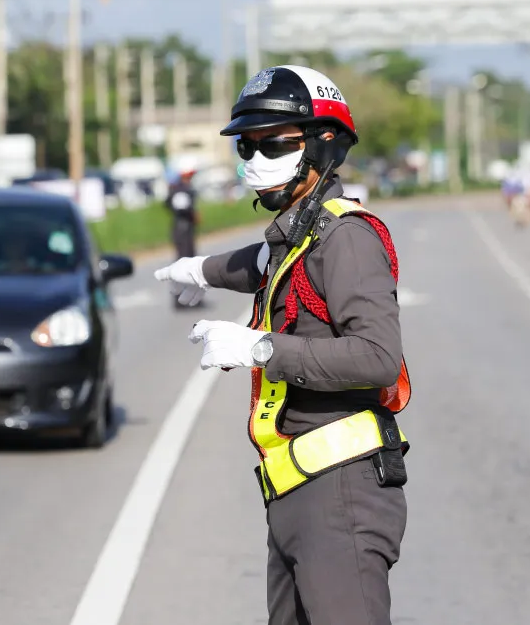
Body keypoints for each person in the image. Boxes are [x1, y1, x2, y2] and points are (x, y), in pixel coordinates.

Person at [154, 65, 412, 625]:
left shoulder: (346, 239)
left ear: (324, 144)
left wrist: (261, 350)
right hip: (295, 490)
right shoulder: (302, 232)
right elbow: (264, 263)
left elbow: (378, 357)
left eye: (274, 143)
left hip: (340, 494)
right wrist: (199, 269)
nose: (255, 159)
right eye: (247, 146)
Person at [164, 165, 200, 308]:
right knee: (184, 263)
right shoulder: (181, 190)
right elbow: (182, 207)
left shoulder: (178, 189)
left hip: (183, 229)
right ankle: (182, 298)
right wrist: (192, 214)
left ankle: (187, 298)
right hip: (183, 230)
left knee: (186, 262)